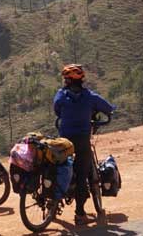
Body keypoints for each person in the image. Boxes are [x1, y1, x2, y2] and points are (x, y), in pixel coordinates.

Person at [53, 63, 115, 225]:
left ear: (67, 81)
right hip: (81, 139)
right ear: (81, 79)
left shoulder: (61, 95)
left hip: (64, 141)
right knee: (82, 174)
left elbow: (57, 110)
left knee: (58, 166)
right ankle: (80, 213)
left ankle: (53, 201)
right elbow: (108, 108)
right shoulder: (90, 96)